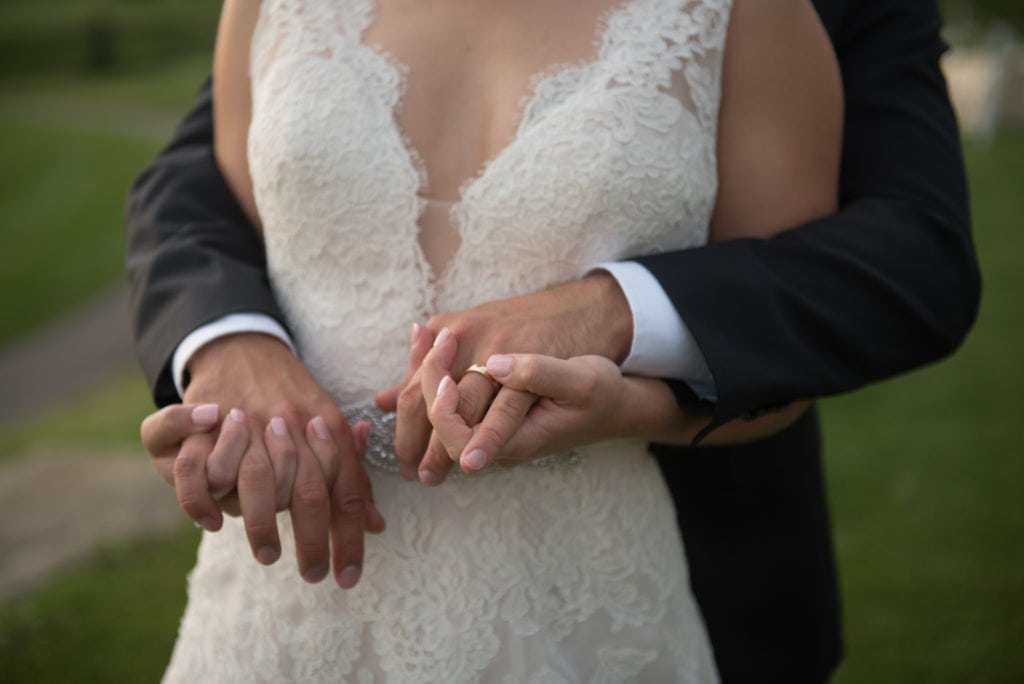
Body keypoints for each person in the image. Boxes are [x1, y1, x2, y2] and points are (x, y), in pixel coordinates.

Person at [125, 0, 977, 682]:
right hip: (283, 617)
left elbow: (873, 278)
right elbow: (222, 199)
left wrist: (621, 345)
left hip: (601, 601)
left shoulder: (757, 16)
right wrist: (227, 349)